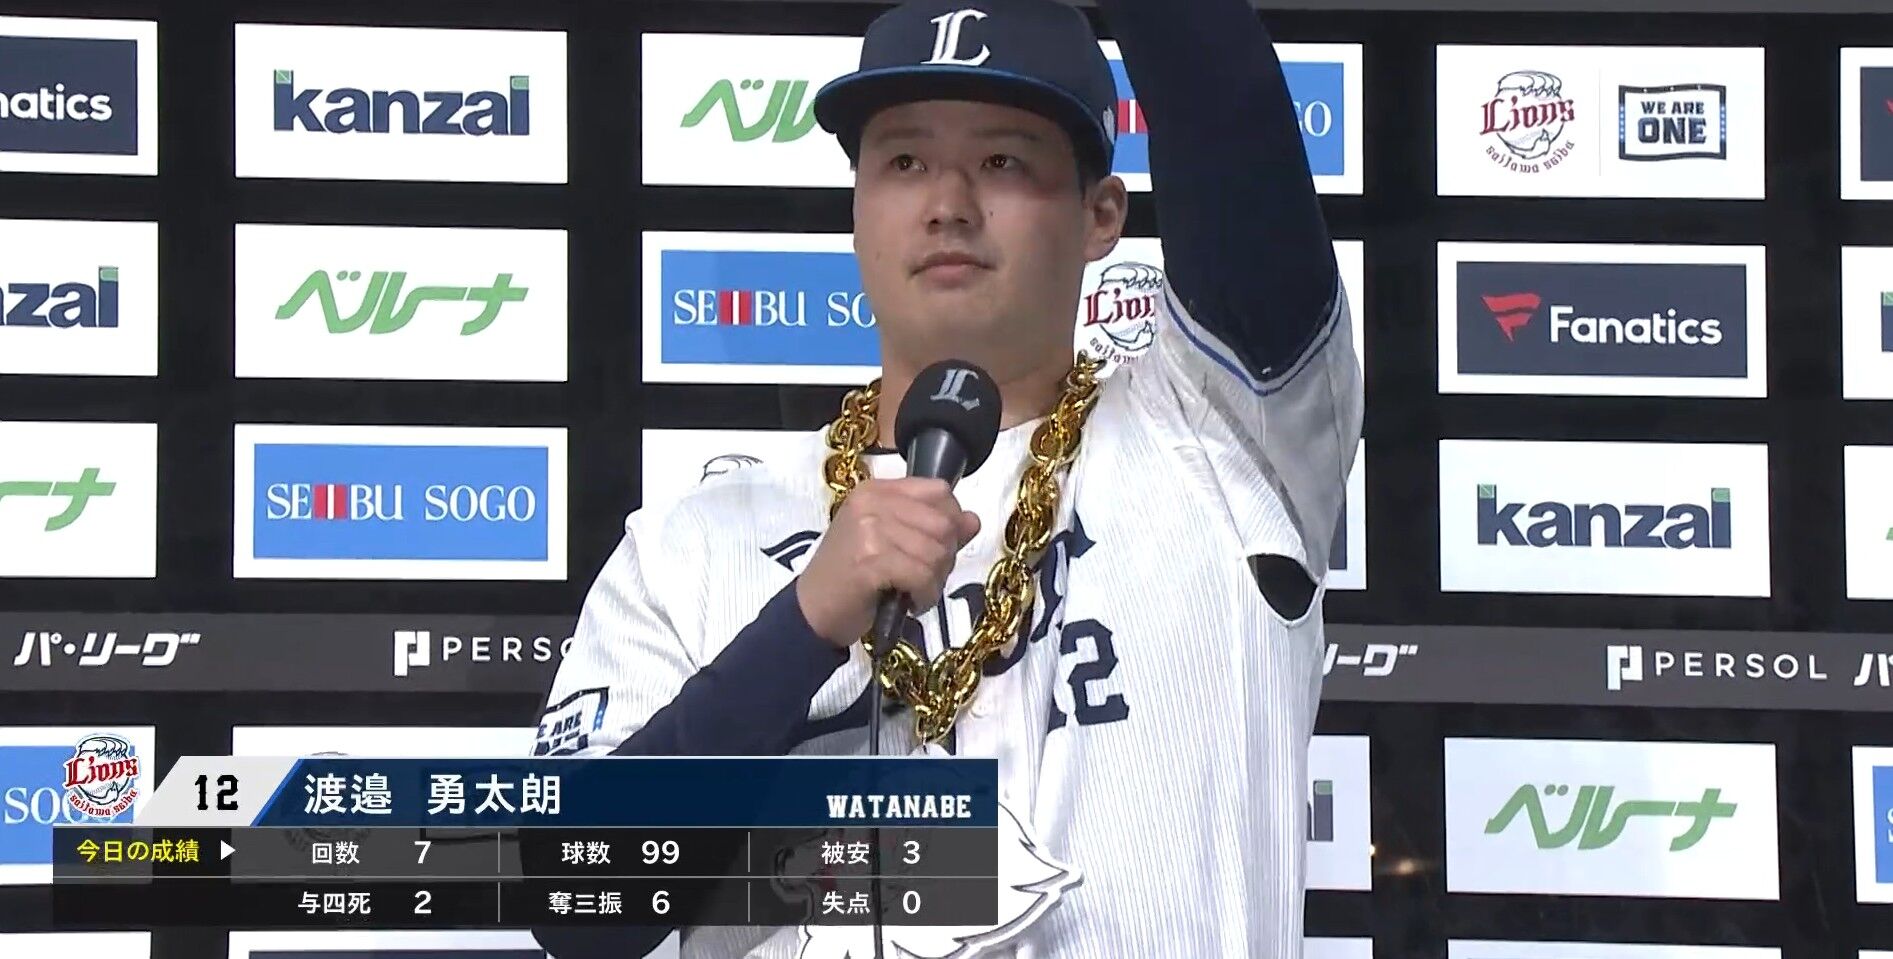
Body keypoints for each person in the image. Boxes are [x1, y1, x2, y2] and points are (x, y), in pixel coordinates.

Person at [530, 0, 1361, 955]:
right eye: (904, 162)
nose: (948, 203)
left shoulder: (1221, 433)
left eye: (1003, 161)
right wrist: (801, 626)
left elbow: (1228, 110)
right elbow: (569, 896)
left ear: (1100, 215)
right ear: (856, 209)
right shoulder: (693, 539)